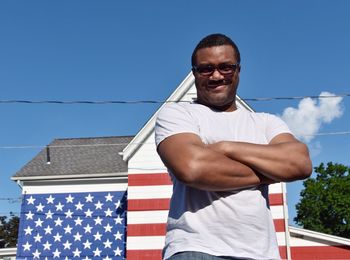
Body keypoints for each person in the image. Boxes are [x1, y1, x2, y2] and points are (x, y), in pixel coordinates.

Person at [155, 33, 312, 260]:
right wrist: (270, 173)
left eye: (226, 67)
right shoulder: (177, 114)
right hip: (197, 249)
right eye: (206, 69)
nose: (217, 75)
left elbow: (300, 163)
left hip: (262, 254)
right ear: (194, 73)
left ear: (238, 70)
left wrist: (226, 148)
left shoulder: (266, 122)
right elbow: (192, 168)